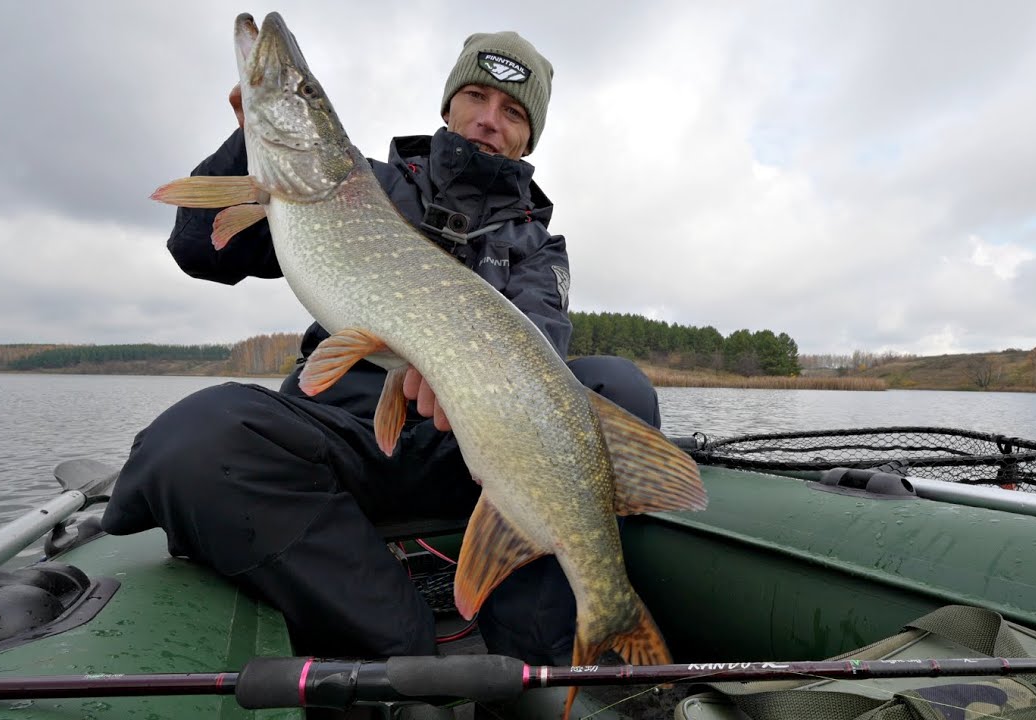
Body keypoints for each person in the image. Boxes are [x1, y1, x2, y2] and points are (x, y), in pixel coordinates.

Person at [103, 31, 662, 666]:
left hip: (469, 452)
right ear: (447, 107)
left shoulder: (540, 247)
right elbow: (200, 249)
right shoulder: (353, 183)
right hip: (341, 439)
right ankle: (394, 640)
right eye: (476, 97)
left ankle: (545, 646)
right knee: (194, 439)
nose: (488, 120)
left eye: (512, 111)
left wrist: (459, 378)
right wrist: (251, 142)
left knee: (616, 385)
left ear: (530, 137)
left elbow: (538, 346)